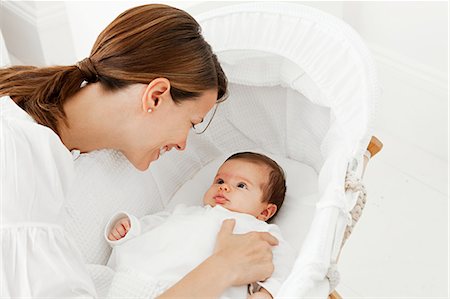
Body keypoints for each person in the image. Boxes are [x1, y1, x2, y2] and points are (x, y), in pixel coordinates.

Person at [0, 4, 279, 298]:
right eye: (191, 123)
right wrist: (222, 268)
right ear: (155, 97)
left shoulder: (29, 126)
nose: (183, 144)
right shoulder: (22, 171)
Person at [106, 152, 295, 299]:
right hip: (139, 278)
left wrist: (268, 292)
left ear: (265, 212)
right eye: (220, 181)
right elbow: (155, 226)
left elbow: (281, 262)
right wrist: (131, 229)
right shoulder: (185, 212)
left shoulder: (258, 230)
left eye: (241, 185)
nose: (224, 187)